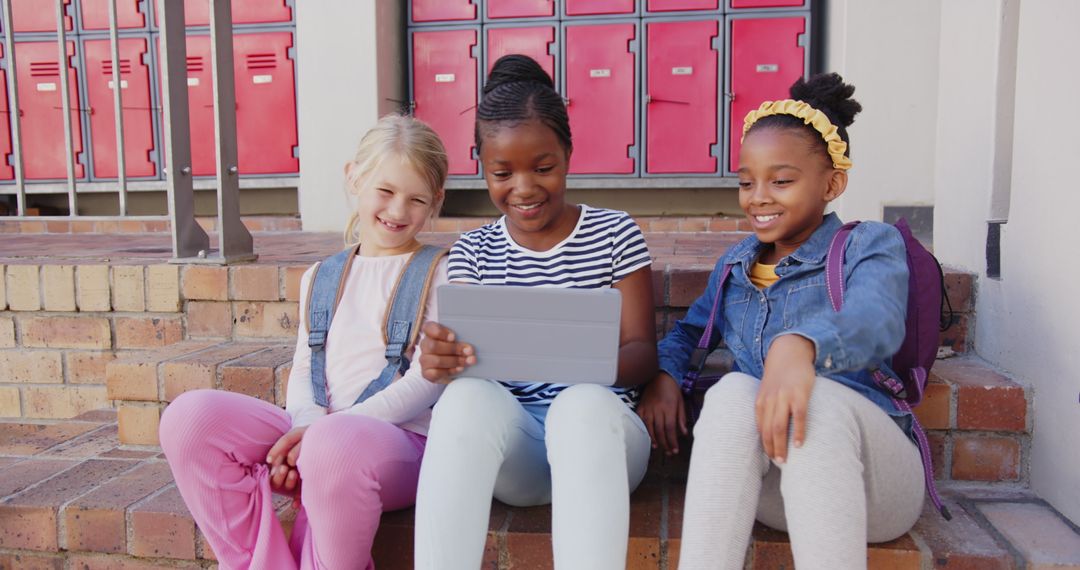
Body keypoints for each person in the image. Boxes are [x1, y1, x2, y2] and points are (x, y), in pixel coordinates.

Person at [639, 73, 925, 569]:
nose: (759, 197)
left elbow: (876, 320)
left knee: (816, 406)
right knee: (730, 393)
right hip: (776, 487)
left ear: (832, 183)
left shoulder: (866, 246)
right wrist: (665, 374)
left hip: (871, 483)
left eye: (782, 180)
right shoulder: (735, 266)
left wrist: (802, 346)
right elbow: (688, 332)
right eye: (747, 181)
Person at [158, 113, 451, 570]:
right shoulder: (321, 276)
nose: (398, 211)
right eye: (386, 192)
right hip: (315, 431)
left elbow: (427, 381)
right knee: (190, 419)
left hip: (395, 444)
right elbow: (305, 365)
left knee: (335, 447)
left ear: (436, 200)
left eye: (415, 199)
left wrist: (322, 437)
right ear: (354, 177)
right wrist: (306, 426)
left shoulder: (441, 273)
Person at [412, 54, 658, 569]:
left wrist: (571, 358)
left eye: (543, 168)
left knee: (580, 405)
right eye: (502, 173)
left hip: (604, 442)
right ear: (481, 166)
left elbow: (642, 354)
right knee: (462, 401)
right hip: (518, 448)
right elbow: (465, 367)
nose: (523, 188)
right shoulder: (474, 251)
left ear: (568, 153)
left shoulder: (614, 234)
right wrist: (442, 362)